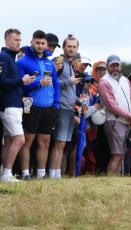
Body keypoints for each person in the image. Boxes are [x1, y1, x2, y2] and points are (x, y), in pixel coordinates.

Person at [0, 28, 35, 182]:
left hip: (13, 104)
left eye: (19, 39)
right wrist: (21, 81)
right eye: (16, 40)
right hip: (8, 105)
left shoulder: (10, 58)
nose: (19, 42)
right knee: (19, 139)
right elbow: (0, 83)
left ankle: (6, 174)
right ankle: (6, 174)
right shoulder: (3, 57)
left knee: (10, 140)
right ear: (7, 41)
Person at [16, 30, 60, 180]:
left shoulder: (50, 62)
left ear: (46, 44)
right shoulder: (23, 61)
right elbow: (20, 86)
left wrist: (56, 104)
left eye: (43, 43)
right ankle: (25, 173)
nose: (40, 46)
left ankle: (41, 174)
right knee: (27, 142)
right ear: (32, 43)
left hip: (49, 107)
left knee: (45, 142)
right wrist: (38, 83)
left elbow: (56, 84)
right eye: (37, 43)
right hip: (31, 106)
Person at [98, 55, 131, 175]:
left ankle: (116, 182)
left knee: (121, 155)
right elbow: (112, 106)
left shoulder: (125, 80)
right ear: (107, 66)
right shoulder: (104, 82)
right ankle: (110, 182)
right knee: (117, 154)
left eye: (117, 65)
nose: (115, 68)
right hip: (114, 121)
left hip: (126, 122)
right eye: (112, 65)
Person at [49, 35, 81, 179]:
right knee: (59, 142)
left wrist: (79, 102)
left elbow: (69, 89)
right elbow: (52, 82)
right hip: (60, 106)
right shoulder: (59, 61)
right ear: (63, 47)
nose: (71, 49)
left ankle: (56, 173)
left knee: (63, 143)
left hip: (69, 107)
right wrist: (69, 81)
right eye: (69, 46)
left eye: (74, 47)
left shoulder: (71, 64)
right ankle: (53, 173)